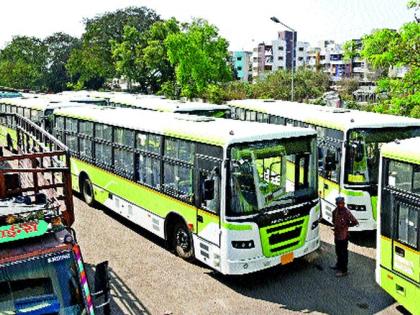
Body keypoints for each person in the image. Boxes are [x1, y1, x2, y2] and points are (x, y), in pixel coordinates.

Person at [331, 196, 359, 277]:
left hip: (344, 237)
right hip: (337, 235)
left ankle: (344, 270)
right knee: (338, 252)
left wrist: (347, 226)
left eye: (342, 203)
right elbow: (333, 221)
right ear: (337, 204)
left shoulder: (346, 212)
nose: (341, 205)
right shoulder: (335, 211)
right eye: (339, 203)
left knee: (343, 254)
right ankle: (338, 265)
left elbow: (355, 222)